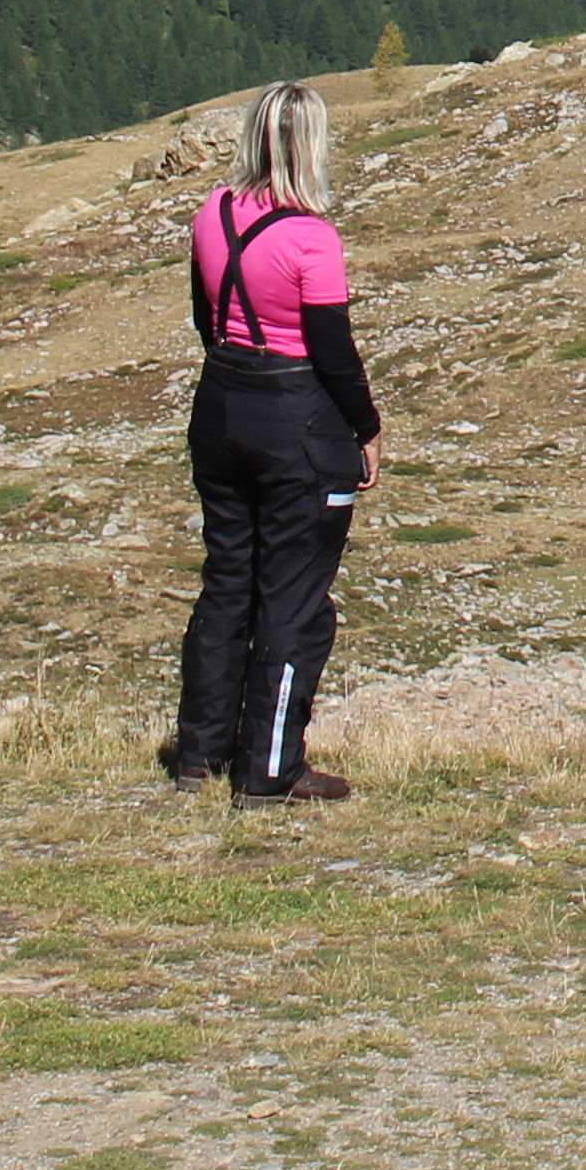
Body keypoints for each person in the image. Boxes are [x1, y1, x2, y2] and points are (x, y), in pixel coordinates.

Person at [166, 78, 379, 804]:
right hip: (297, 420)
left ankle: (199, 751)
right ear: (312, 146)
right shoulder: (312, 238)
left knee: (229, 580)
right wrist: (366, 429)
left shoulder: (213, 213)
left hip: (222, 405)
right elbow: (333, 353)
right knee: (294, 601)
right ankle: (270, 767)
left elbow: (206, 318)